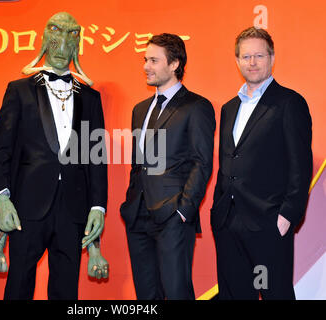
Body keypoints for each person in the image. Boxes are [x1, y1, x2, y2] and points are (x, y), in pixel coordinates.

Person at [0, 12, 109, 300]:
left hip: (73, 209)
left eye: (71, 36)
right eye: (57, 35)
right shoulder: (19, 91)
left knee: (66, 291)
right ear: (45, 40)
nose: (63, 44)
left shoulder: (90, 99)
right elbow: (1, 151)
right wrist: (2, 198)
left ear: (77, 44)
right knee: (18, 286)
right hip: (26, 208)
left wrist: (98, 208)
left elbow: (95, 160)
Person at [211, 27, 313, 300]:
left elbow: (300, 165)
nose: (252, 62)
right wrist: (217, 208)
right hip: (228, 222)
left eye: (258, 55)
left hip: (268, 223)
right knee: (233, 295)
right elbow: (227, 161)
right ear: (237, 60)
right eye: (246, 56)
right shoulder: (229, 108)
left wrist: (288, 215)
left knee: (273, 293)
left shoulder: (289, 103)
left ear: (272, 58)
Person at [120, 33, 215, 300]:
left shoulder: (196, 106)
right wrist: (131, 201)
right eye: (145, 59)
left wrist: (183, 210)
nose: (146, 66)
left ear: (174, 64)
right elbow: (138, 162)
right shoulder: (140, 109)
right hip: (137, 214)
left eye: (153, 60)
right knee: (146, 295)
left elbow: (202, 162)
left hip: (173, 215)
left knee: (176, 293)